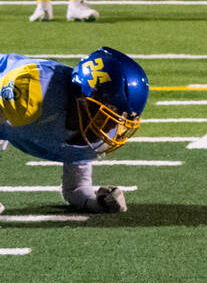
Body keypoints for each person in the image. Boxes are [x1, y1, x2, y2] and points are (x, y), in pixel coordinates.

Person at [1, 47, 149, 216]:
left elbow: (76, 189)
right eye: (104, 117)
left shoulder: (90, 126)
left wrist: (94, 202)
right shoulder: (33, 91)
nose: (109, 129)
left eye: (117, 122)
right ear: (83, 99)